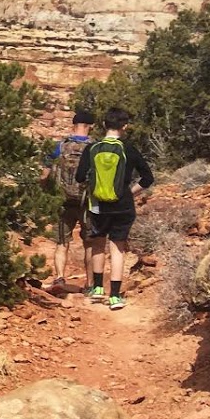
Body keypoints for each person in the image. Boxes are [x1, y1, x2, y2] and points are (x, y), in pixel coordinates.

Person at [76, 107, 154, 310]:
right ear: (125, 126)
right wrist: (130, 192)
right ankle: (115, 296)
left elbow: (79, 177)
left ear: (104, 125)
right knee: (118, 248)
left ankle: (98, 289)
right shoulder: (129, 149)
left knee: (98, 244)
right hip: (123, 206)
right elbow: (148, 178)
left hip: (98, 206)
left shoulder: (92, 149)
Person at [41, 109, 95, 291]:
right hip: (86, 202)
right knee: (89, 243)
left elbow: (44, 173)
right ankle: (90, 284)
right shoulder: (95, 147)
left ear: (74, 125)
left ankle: (59, 279)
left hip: (62, 201)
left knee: (61, 243)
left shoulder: (60, 146)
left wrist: (46, 192)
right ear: (91, 127)